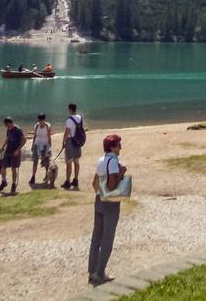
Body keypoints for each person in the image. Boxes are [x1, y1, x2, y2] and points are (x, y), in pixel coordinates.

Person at [88, 133, 127, 286]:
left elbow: (94, 184)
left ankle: (92, 271)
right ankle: (100, 273)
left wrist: (100, 193)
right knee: (107, 239)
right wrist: (122, 173)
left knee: (96, 236)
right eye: (118, 145)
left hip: (98, 200)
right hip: (110, 203)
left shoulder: (101, 160)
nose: (120, 147)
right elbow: (112, 186)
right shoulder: (113, 162)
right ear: (112, 147)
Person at [62, 102, 86, 190]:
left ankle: (67, 181)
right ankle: (75, 179)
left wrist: (63, 141)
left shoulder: (69, 120)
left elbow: (67, 132)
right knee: (76, 161)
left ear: (70, 109)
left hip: (70, 141)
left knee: (69, 162)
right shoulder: (79, 117)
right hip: (77, 140)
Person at [0, 117, 25, 195]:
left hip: (15, 151)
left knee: (13, 168)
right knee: (3, 167)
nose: (5, 126)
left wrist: (18, 150)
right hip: (8, 150)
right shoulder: (9, 129)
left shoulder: (18, 130)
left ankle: (13, 184)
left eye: (6, 125)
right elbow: (7, 138)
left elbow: (24, 140)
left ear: (10, 123)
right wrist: (2, 147)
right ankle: (4, 181)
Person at [29, 112, 54, 188]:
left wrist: (49, 147)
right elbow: (35, 136)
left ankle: (47, 175)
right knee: (35, 161)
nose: (40, 122)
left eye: (41, 120)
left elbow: (49, 137)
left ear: (44, 119)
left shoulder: (47, 126)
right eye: (39, 120)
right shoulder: (36, 126)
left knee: (45, 162)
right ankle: (33, 176)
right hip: (37, 144)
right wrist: (33, 145)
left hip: (45, 145)